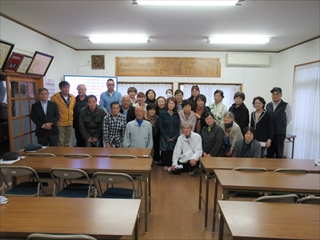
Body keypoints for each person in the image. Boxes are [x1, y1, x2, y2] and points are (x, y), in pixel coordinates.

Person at [266, 87, 292, 158]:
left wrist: (281, 126)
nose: (275, 96)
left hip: (280, 133)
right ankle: (269, 168)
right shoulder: (268, 105)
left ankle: (279, 168)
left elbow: (288, 119)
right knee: (269, 152)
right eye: (273, 94)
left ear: (281, 95)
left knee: (279, 152)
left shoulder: (286, 105)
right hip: (270, 133)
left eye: (277, 94)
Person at [51, 81, 76, 146]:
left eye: (68, 87)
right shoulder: (55, 97)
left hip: (69, 122)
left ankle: (66, 155)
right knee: (60, 142)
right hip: (60, 123)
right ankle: (60, 155)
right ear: (60, 88)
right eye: (64, 88)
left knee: (67, 142)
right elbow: (52, 111)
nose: (67, 89)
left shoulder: (72, 97)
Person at [158, 97, 180, 170]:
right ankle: (164, 164)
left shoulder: (176, 114)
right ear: (167, 104)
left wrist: (174, 137)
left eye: (173, 103)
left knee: (172, 150)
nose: (171, 105)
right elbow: (160, 126)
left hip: (173, 136)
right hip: (164, 136)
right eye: (170, 103)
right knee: (164, 150)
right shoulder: (162, 113)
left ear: (175, 105)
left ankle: (171, 164)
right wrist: (166, 137)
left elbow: (178, 127)